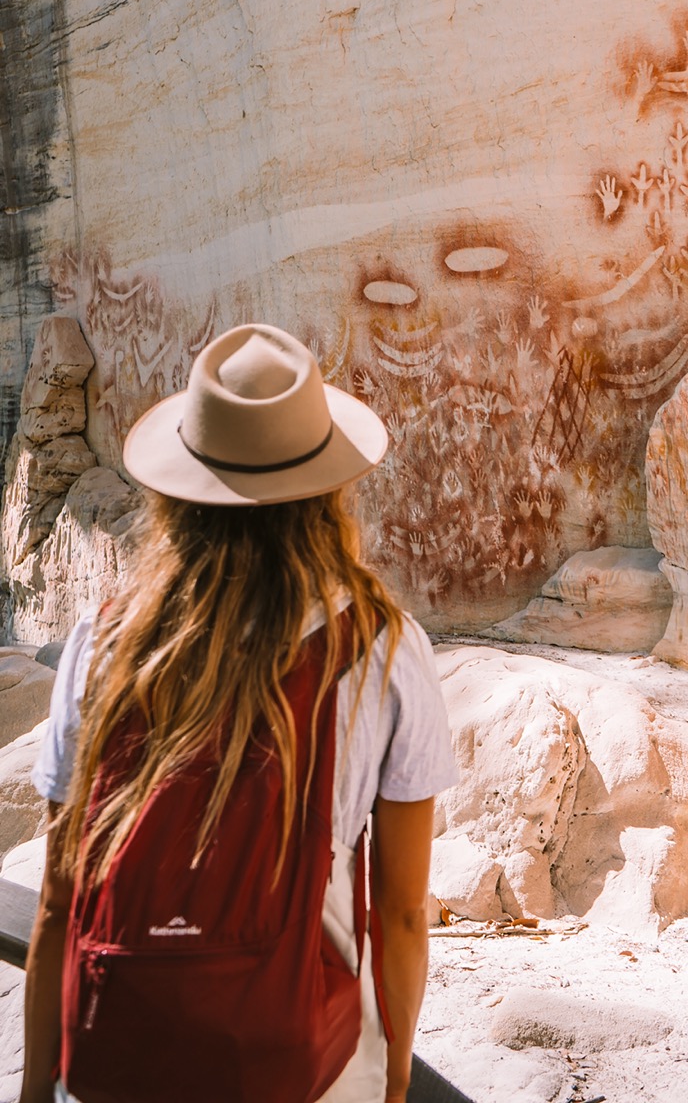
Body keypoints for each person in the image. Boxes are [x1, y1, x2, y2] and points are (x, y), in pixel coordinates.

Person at [19, 322, 458, 1103]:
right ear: (327, 491)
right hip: (298, 1060)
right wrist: (390, 1082)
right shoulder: (381, 647)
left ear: (180, 491)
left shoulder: (106, 641)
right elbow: (400, 915)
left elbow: (58, 902)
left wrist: (39, 1089)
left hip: (122, 1055)